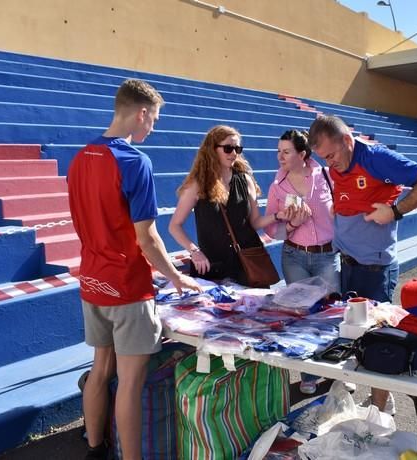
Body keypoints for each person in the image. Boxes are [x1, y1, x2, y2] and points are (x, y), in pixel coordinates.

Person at [67, 79, 202, 460]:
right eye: (153, 120)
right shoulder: (134, 161)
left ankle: (94, 448)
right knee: (129, 382)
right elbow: (148, 238)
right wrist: (176, 277)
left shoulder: (80, 158)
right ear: (141, 113)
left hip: (92, 280)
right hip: (126, 286)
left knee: (99, 369)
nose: (153, 128)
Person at [308, 115, 417, 414]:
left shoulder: (375, 158)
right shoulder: (335, 167)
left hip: (374, 268)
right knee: (354, 335)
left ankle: (381, 409)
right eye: (323, 159)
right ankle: (374, 399)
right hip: (349, 264)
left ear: (346, 140)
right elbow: (348, 197)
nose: (329, 164)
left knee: (378, 338)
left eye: (331, 155)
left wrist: (395, 211)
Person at [264, 129, 340, 395]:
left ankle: (335, 371)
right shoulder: (277, 186)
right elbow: (272, 231)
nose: (280, 156)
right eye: (278, 151)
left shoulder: (326, 176)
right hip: (294, 255)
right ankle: (308, 375)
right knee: (301, 316)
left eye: (286, 152)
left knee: (330, 314)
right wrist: (292, 223)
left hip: (327, 255)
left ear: (302, 154)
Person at [169, 125, 291, 285]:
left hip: (248, 264)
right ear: (212, 149)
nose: (234, 153)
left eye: (237, 149)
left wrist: (277, 216)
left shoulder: (245, 180)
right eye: (228, 148)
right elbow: (174, 226)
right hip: (213, 267)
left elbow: (254, 222)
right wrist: (194, 251)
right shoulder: (198, 184)